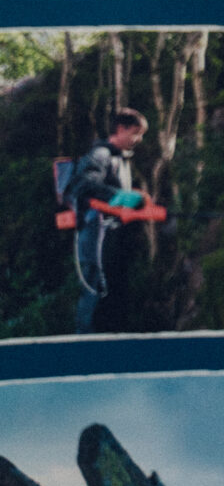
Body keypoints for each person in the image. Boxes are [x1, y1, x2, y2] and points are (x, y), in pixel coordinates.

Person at [67, 108, 152, 334]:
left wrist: (136, 199)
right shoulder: (101, 155)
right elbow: (85, 186)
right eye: (136, 133)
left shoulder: (120, 159)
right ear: (120, 129)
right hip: (94, 232)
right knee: (94, 288)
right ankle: (85, 346)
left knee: (112, 291)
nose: (138, 139)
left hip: (112, 236)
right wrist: (124, 198)